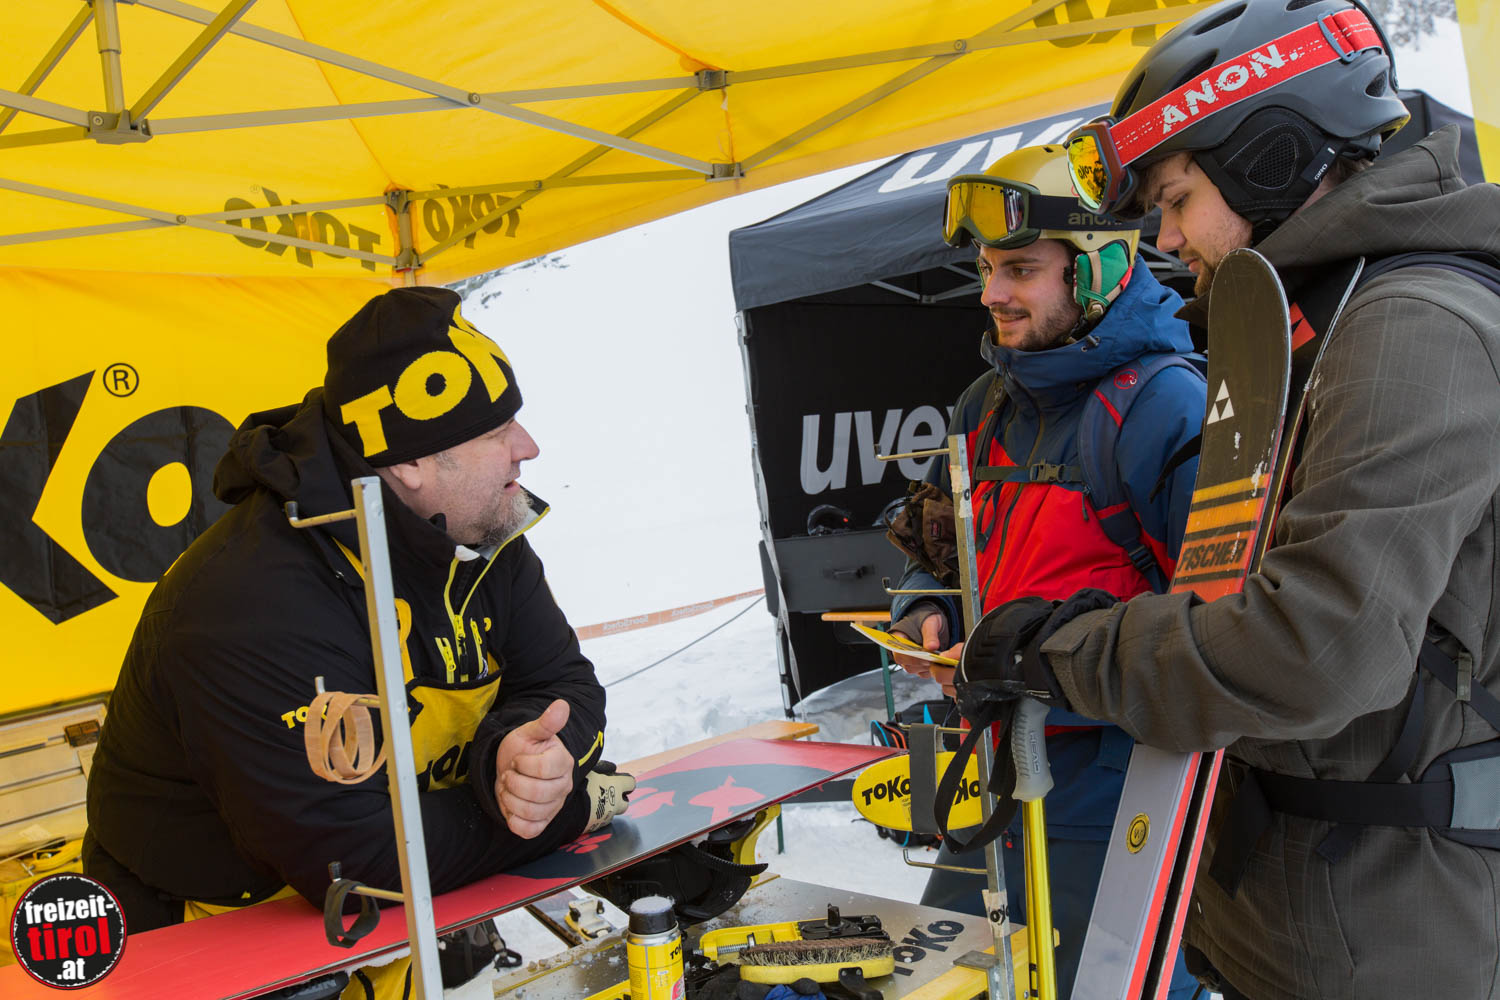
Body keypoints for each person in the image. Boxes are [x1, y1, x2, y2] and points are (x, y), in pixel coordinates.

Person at [960, 3, 1500, 998]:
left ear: (1270, 157)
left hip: (1388, 932)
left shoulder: (1411, 329)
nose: (1165, 239)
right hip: (1306, 904)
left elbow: (1316, 648)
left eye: (1176, 198)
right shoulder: (1318, 324)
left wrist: (1062, 651)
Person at [84, 286, 633, 998]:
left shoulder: (476, 531)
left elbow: (565, 682)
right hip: (212, 937)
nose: (527, 447)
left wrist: (516, 756)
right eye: (496, 431)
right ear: (409, 464)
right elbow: (358, 863)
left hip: (408, 906)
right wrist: (566, 806)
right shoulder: (249, 603)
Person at [885, 143, 1205, 999]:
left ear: (1099, 269)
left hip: (1117, 791)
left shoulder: (1164, 403)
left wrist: (1052, 658)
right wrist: (929, 609)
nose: (992, 294)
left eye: (1021, 270)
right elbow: (941, 555)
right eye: (988, 269)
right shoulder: (984, 405)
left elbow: (1217, 622)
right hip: (991, 772)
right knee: (945, 983)